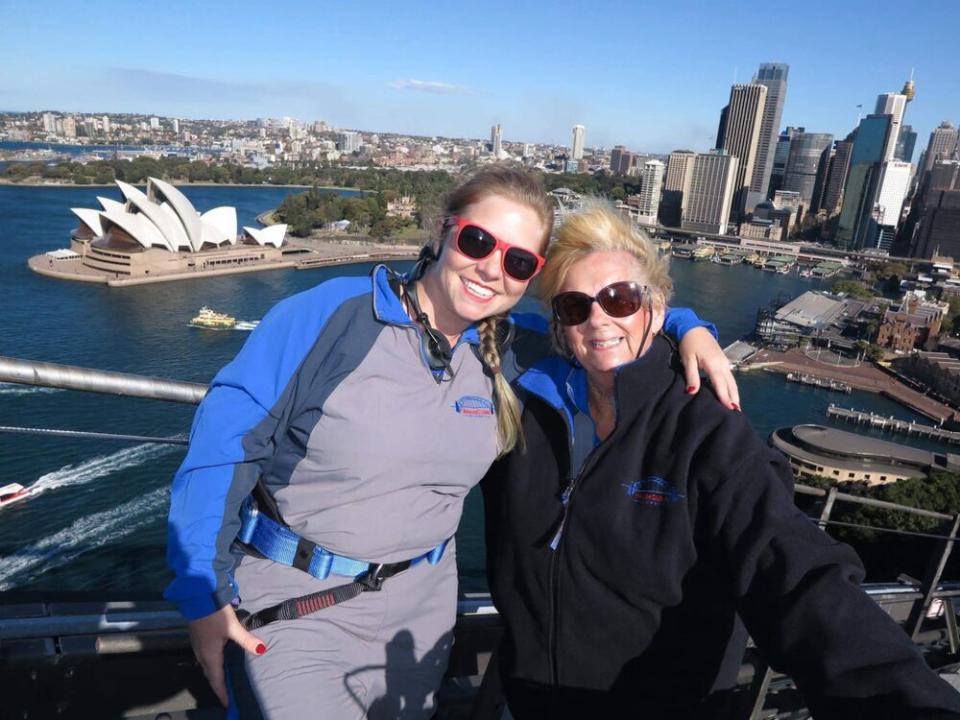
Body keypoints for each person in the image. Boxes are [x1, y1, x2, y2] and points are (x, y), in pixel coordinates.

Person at [164, 167, 735, 719]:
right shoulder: (331, 316)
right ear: (443, 229)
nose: (491, 269)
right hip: (297, 604)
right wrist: (203, 596)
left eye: (517, 261)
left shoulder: (514, 348)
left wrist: (688, 326)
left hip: (422, 613)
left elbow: (605, 321)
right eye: (478, 241)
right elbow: (223, 448)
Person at [481, 203, 960, 720]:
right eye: (575, 306)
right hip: (529, 697)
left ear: (656, 309)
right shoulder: (527, 395)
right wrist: (690, 324)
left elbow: (787, 561)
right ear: (559, 321)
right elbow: (456, 306)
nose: (598, 319)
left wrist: (901, 700)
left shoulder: (705, 427)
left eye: (620, 299)